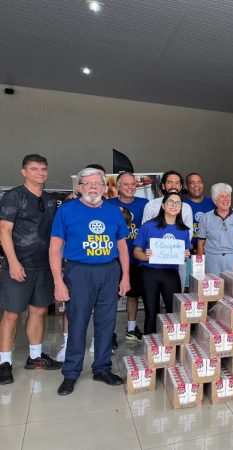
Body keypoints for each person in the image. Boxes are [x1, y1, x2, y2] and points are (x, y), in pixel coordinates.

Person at [50, 167, 130, 395]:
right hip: (79, 272)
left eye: (98, 184)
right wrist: (58, 281)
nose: (93, 187)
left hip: (109, 271)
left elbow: (122, 245)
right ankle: (71, 372)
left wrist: (125, 276)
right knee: (77, 322)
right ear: (79, 187)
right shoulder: (67, 211)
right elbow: (55, 248)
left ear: (105, 188)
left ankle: (102, 368)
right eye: (88, 183)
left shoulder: (114, 212)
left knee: (107, 322)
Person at [0, 154, 62, 385]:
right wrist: (13, 262)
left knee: (39, 311)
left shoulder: (50, 199)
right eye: (34, 169)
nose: (40, 173)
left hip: (44, 267)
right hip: (18, 266)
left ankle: (35, 357)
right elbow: (4, 231)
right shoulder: (13, 196)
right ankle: (4, 363)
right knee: (11, 314)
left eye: (43, 169)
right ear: (23, 171)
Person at [134, 192, 191, 335]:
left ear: (181, 207)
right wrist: (146, 256)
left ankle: (172, 346)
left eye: (177, 203)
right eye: (170, 202)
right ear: (163, 205)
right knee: (151, 312)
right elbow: (136, 252)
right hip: (149, 272)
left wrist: (185, 255)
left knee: (174, 312)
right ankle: (151, 350)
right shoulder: (148, 226)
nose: (174, 205)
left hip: (170, 273)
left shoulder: (183, 230)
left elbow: (182, 256)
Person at [106, 172, 148, 342]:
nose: (131, 187)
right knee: (110, 298)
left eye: (133, 184)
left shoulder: (145, 204)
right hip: (114, 260)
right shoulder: (108, 205)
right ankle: (110, 333)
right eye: (126, 184)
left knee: (133, 295)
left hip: (137, 259)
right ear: (117, 186)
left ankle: (131, 329)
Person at [142, 170, 193, 287]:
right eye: (170, 182)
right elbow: (144, 233)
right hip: (154, 261)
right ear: (163, 186)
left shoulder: (187, 207)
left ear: (181, 186)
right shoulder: (151, 205)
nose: (173, 186)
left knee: (175, 296)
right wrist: (159, 251)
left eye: (177, 183)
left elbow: (188, 233)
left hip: (177, 259)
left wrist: (177, 251)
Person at [196, 183, 233, 275]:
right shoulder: (206, 217)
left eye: (228, 196)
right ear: (215, 200)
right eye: (222, 196)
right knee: (213, 289)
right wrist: (200, 267)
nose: (226, 199)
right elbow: (200, 244)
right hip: (212, 261)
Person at [182, 173, 215, 252]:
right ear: (186, 186)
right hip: (186, 251)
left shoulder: (213, 203)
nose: (196, 185)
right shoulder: (180, 204)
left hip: (208, 251)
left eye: (199, 182)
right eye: (192, 182)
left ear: (203, 185)